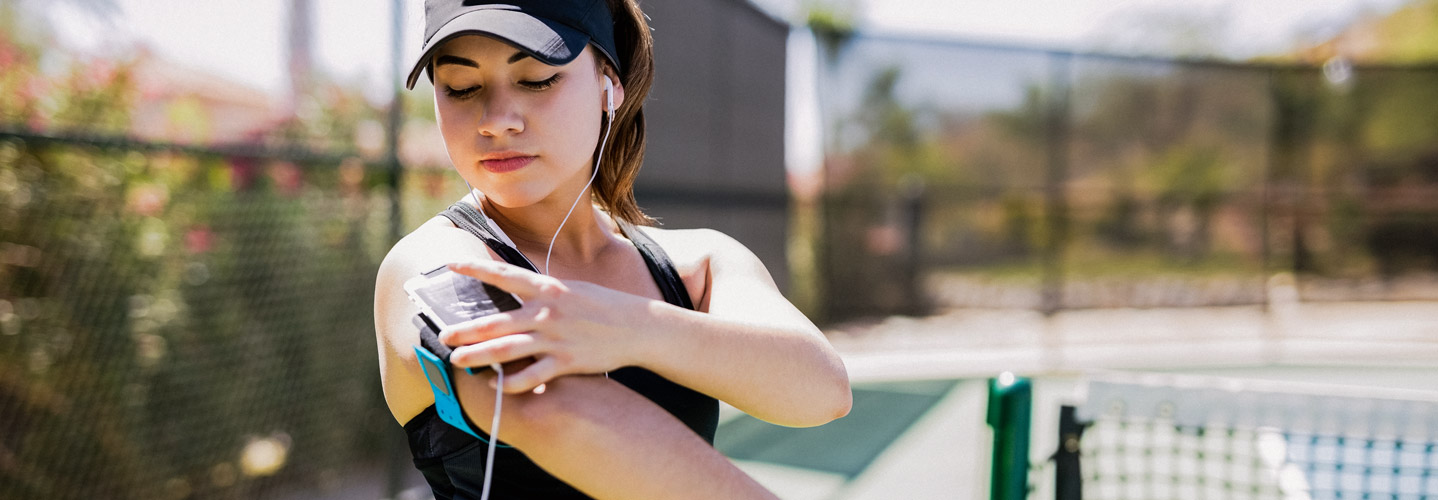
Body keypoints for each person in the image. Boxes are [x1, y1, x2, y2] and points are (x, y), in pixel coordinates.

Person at [373, 0, 852, 498]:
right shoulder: (432, 263)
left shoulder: (699, 265)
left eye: (536, 78)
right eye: (461, 87)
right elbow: (545, 409)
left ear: (610, 83)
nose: (496, 120)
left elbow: (823, 391)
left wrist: (632, 327)